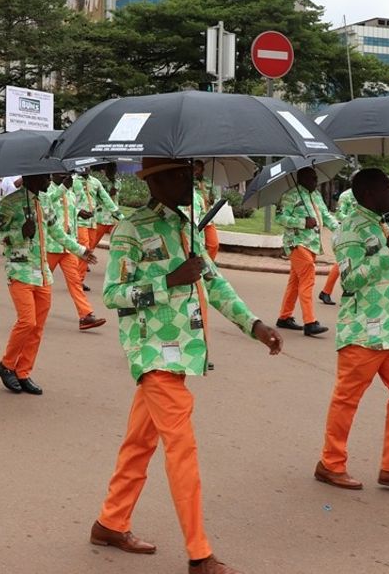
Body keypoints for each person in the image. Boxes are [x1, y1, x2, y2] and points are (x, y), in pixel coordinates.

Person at [91, 158, 282, 574]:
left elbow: (214, 283)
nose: (188, 182)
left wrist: (254, 325)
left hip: (181, 353)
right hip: (153, 353)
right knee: (182, 450)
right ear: (155, 181)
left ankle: (110, 522)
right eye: (179, 175)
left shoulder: (186, 226)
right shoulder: (130, 230)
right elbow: (112, 295)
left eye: (189, 175)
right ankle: (199, 554)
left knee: (140, 443)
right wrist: (169, 281)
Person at [314, 169, 389, 492]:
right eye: (387, 188)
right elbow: (350, 280)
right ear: (368, 193)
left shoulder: (378, 222)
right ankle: (330, 464)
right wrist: (387, 250)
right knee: (347, 399)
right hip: (363, 330)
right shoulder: (350, 230)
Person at [0, 172, 97, 395]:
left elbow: (57, 232)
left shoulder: (45, 200)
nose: (49, 182)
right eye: (45, 178)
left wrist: (81, 251)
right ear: (32, 178)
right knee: (27, 322)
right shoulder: (10, 203)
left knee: (38, 327)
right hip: (19, 270)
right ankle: (6, 365)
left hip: (43, 273)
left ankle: (23, 371)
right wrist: (20, 233)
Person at [275, 166, 339, 337]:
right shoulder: (290, 195)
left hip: (313, 244)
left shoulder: (316, 195)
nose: (315, 181)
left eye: (316, 178)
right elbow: (280, 217)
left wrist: (340, 230)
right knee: (308, 277)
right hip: (296, 243)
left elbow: (325, 215)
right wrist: (303, 222)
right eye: (312, 178)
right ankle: (310, 322)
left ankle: (284, 317)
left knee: (295, 281)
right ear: (301, 179)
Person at [40, 172, 105, 330]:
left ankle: (86, 315)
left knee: (75, 281)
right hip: (51, 246)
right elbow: (47, 203)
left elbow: (68, 211)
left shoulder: (69, 193)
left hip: (68, 247)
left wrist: (78, 213)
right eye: (61, 174)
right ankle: (34, 314)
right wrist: (63, 187)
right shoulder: (47, 190)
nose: (65, 176)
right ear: (53, 174)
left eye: (67, 174)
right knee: (42, 282)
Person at [318, 185, 357, 306]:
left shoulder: (365, 195)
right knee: (345, 262)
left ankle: (326, 291)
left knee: (344, 262)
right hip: (346, 233)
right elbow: (339, 215)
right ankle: (346, 295)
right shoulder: (346, 196)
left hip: (359, 234)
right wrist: (353, 220)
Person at [191, 160, 219, 262]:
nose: (196, 171)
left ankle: (207, 265)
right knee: (198, 246)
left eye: (198, 169)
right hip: (195, 218)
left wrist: (212, 198)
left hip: (207, 218)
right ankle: (199, 265)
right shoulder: (188, 181)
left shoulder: (208, 181)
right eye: (194, 169)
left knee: (214, 244)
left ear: (202, 170)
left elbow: (215, 197)